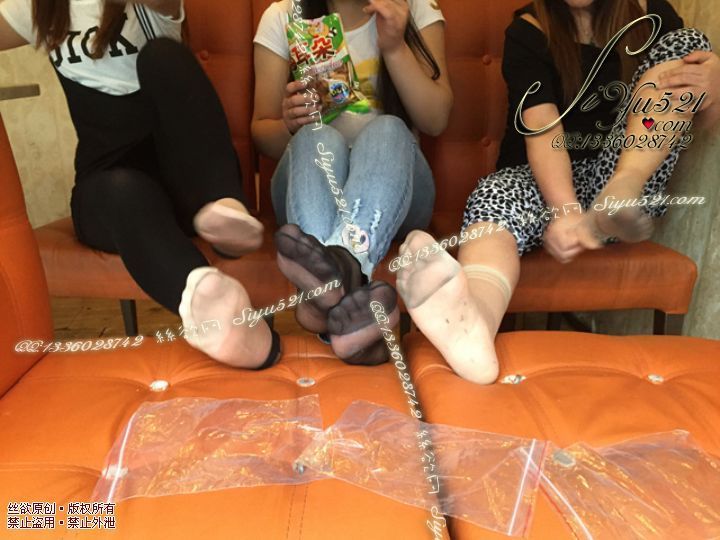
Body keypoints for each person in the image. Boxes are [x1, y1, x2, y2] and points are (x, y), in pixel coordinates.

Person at [396, 0, 719, 383]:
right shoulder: (528, 31)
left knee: (687, 44)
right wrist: (565, 210)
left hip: (625, 174)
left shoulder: (650, 14)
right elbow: (543, 127)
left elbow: (695, 113)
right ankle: (474, 326)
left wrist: (715, 80)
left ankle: (623, 188)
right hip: (542, 178)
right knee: (493, 193)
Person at [0, 0, 280, 369]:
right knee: (123, 191)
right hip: (107, 188)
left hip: (187, 189)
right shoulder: (40, 7)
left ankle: (226, 207)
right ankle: (213, 307)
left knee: (163, 56)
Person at [252, 0, 453, 365]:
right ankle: (346, 287)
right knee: (317, 136)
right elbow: (263, 136)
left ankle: (326, 292)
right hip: (310, 182)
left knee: (387, 128)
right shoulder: (283, 15)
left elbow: (436, 120)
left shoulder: (413, 7)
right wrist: (289, 124)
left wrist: (395, 46)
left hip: (397, 189)